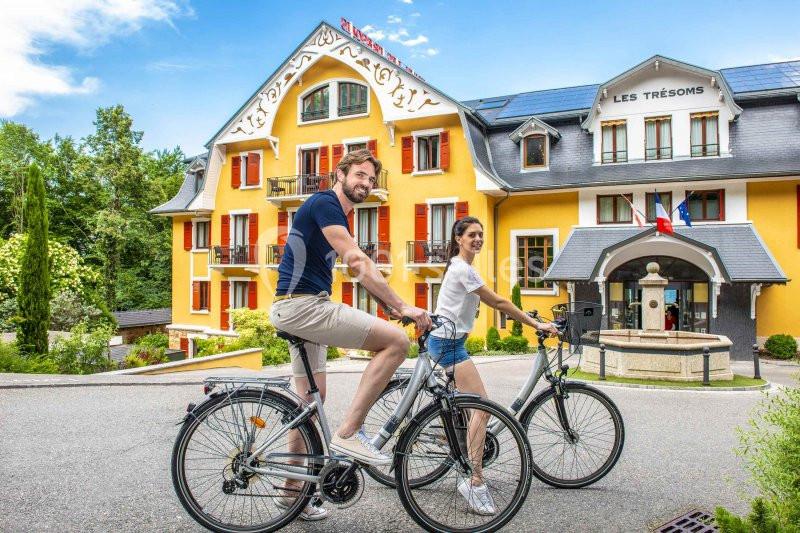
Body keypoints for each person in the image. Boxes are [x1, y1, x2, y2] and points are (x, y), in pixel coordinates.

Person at [269, 149, 431, 520]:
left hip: (295, 306)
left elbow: (357, 265)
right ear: (339, 174)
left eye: (372, 180)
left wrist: (393, 305)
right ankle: (349, 431)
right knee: (396, 342)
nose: (367, 184)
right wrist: (402, 307)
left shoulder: (334, 212)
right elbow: (357, 261)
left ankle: (291, 492)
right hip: (305, 306)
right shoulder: (325, 202)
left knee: (309, 401)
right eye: (360, 175)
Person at [429, 216, 558, 516]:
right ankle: (474, 482)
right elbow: (499, 303)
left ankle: (456, 444)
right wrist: (534, 323)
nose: (478, 239)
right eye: (472, 234)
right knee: (483, 409)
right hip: (448, 346)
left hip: (451, 342)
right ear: (459, 238)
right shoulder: (462, 269)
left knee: (470, 410)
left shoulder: (463, 267)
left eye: (481, 235)